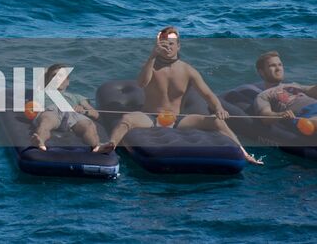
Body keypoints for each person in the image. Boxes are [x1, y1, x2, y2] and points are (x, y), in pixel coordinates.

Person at [96, 27, 261, 163]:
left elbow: (208, 94)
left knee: (217, 122)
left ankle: (244, 153)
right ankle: (110, 147)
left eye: (171, 44)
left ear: (178, 46)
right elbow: (142, 83)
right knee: (127, 119)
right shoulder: (150, 66)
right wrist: (152, 56)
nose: (168, 47)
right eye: (163, 44)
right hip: (150, 117)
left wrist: (218, 107)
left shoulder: (188, 70)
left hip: (179, 119)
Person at [28, 63, 102, 151]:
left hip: (73, 114)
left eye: (61, 76)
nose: (57, 78)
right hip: (52, 111)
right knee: (46, 121)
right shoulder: (42, 93)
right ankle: (40, 142)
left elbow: (96, 114)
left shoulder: (77, 97)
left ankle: (97, 147)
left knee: (88, 125)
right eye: (54, 76)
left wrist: (84, 111)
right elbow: (42, 74)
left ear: (67, 81)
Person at [251, 51, 317, 121]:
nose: (278, 68)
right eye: (272, 65)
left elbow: (312, 90)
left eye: (280, 65)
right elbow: (265, 116)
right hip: (306, 115)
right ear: (262, 72)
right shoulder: (263, 95)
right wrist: (281, 114)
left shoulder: (293, 85)